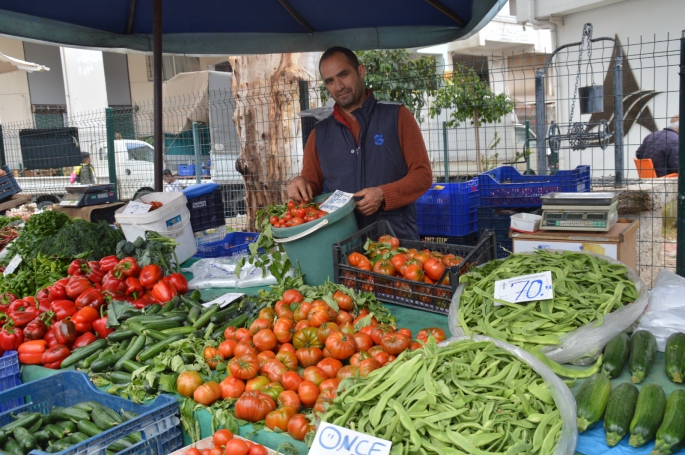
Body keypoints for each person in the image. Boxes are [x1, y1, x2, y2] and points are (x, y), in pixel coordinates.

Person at [287, 46, 432, 239]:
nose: (339, 87)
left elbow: (422, 175)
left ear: (360, 71)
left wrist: (383, 194)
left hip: (396, 245)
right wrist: (300, 184)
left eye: (344, 75)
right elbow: (310, 186)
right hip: (341, 245)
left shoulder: (397, 116)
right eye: (330, 81)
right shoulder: (319, 133)